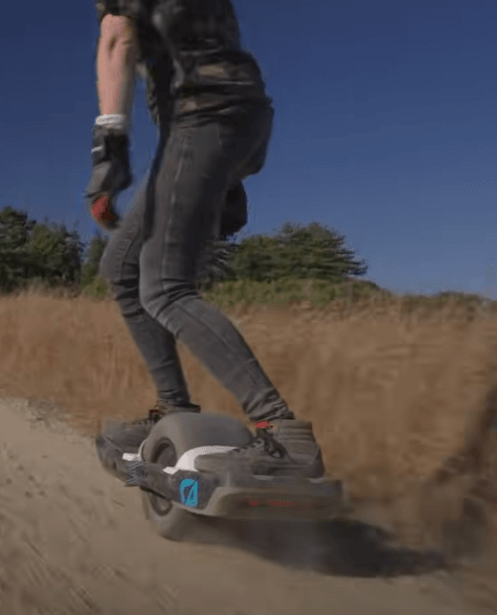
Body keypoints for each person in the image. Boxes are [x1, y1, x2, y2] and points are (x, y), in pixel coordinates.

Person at [85, 0, 324, 478]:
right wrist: (224, 177)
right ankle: (173, 409)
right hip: (225, 118)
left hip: (205, 115)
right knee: (122, 269)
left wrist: (108, 146)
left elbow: (116, 38)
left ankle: (283, 432)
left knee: (164, 286)